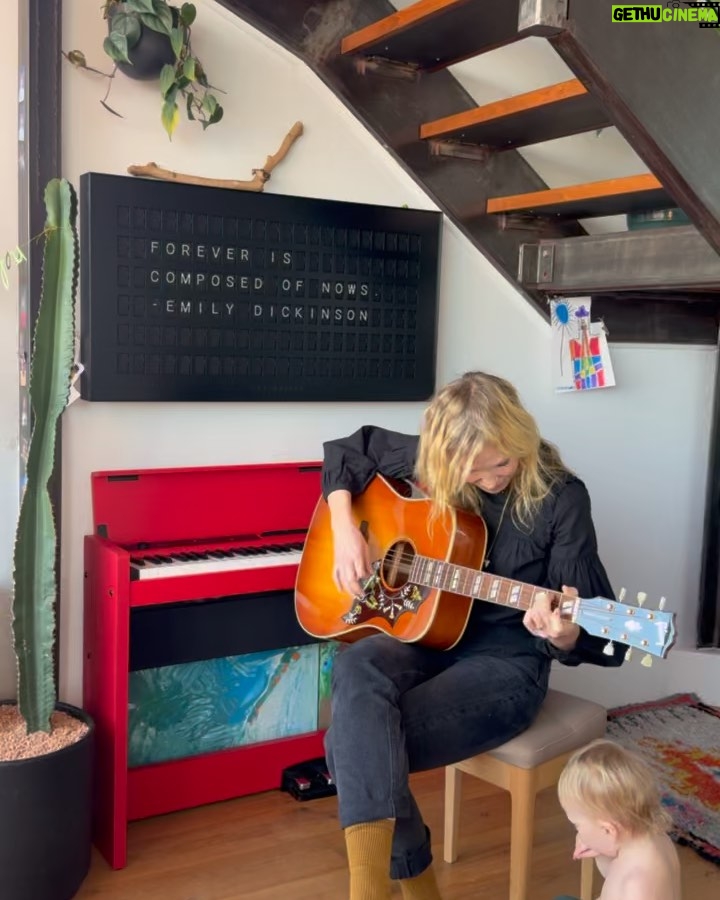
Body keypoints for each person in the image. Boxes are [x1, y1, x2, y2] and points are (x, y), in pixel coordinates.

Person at [321, 371, 625, 900]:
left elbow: (603, 637)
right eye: (471, 471)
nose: (488, 480)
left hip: (507, 663)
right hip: (432, 634)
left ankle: (384, 889)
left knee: (353, 743)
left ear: (521, 437)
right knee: (356, 666)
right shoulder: (441, 459)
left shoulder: (563, 499)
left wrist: (564, 633)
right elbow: (352, 449)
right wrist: (345, 528)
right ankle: (395, 888)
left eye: (501, 464)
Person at [557, 738, 680, 900]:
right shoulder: (655, 839)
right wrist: (599, 850)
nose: (578, 832)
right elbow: (613, 876)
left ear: (608, 830)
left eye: (577, 825)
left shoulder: (636, 887)